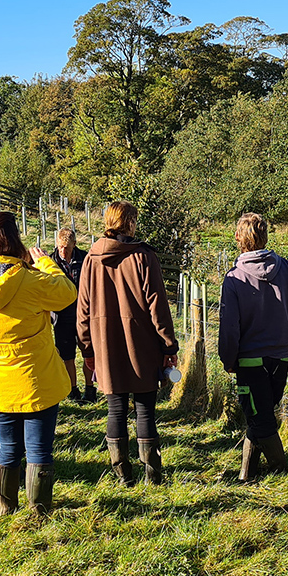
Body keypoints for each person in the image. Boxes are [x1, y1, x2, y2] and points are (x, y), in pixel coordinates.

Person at [0, 212, 77, 514]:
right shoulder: (32, 280)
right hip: (37, 381)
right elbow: (66, 293)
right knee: (38, 449)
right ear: (16, 242)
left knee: (6, 447)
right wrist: (45, 262)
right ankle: (38, 511)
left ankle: (5, 507)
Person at [217, 212, 288, 482]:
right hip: (280, 358)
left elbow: (229, 326)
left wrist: (228, 359)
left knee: (261, 420)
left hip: (249, 361)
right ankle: (247, 475)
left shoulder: (234, 278)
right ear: (265, 236)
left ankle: (282, 470)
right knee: (261, 417)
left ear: (237, 239)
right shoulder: (286, 268)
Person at [77, 201, 178, 486]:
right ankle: (153, 476)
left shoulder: (90, 259)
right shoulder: (143, 257)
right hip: (142, 345)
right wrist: (169, 345)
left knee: (115, 409)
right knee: (145, 409)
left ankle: (122, 475)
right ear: (131, 223)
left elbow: (82, 310)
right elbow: (158, 306)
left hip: (105, 346)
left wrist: (87, 348)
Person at [50, 228, 93, 404]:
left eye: (66, 247)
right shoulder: (50, 262)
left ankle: (90, 389)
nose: (63, 251)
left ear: (74, 245)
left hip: (84, 315)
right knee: (66, 356)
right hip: (61, 316)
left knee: (89, 352)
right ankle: (72, 389)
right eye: (60, 247)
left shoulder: (85, 259)